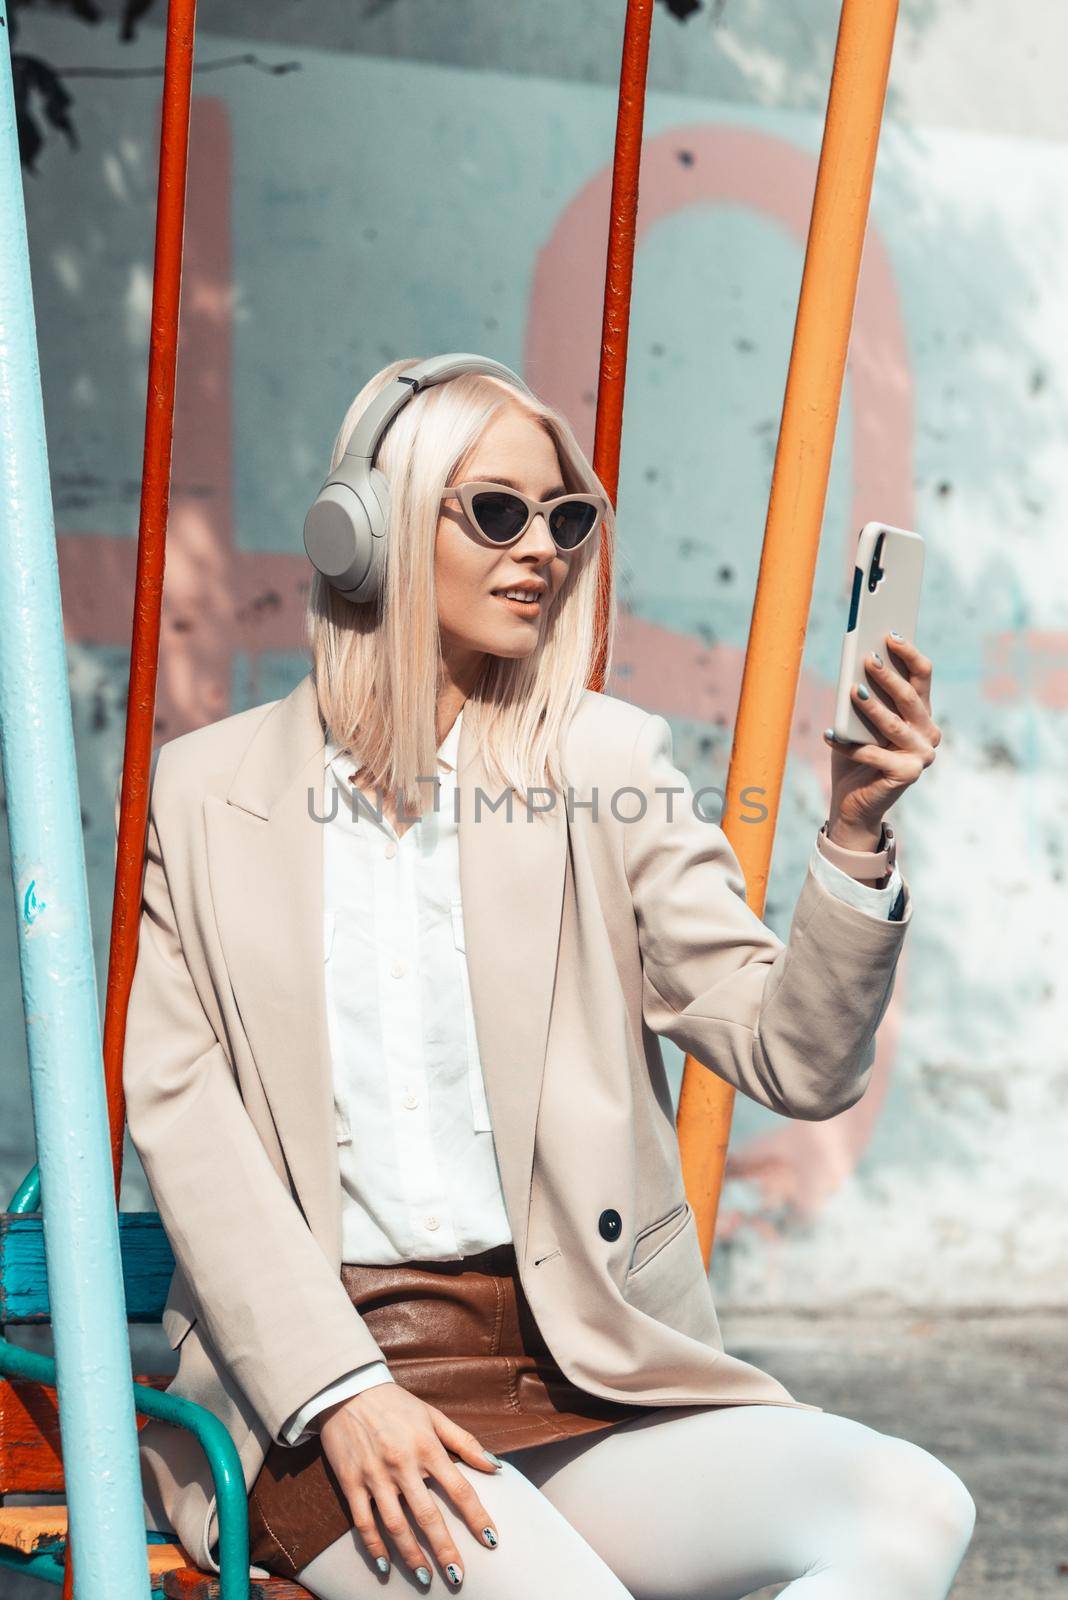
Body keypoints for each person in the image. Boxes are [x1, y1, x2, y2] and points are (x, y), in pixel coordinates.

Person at [122, 356, 975, 1598]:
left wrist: (850, 832)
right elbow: (189, 1131)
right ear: (365, 531)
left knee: (914, 1502)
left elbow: (794, 1056)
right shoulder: (208, 797)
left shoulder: (605, 763)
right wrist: (343, 1394)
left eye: (566, 517)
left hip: (583, 1372)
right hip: (319, 1397)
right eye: (499, 511)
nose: (544, 549)